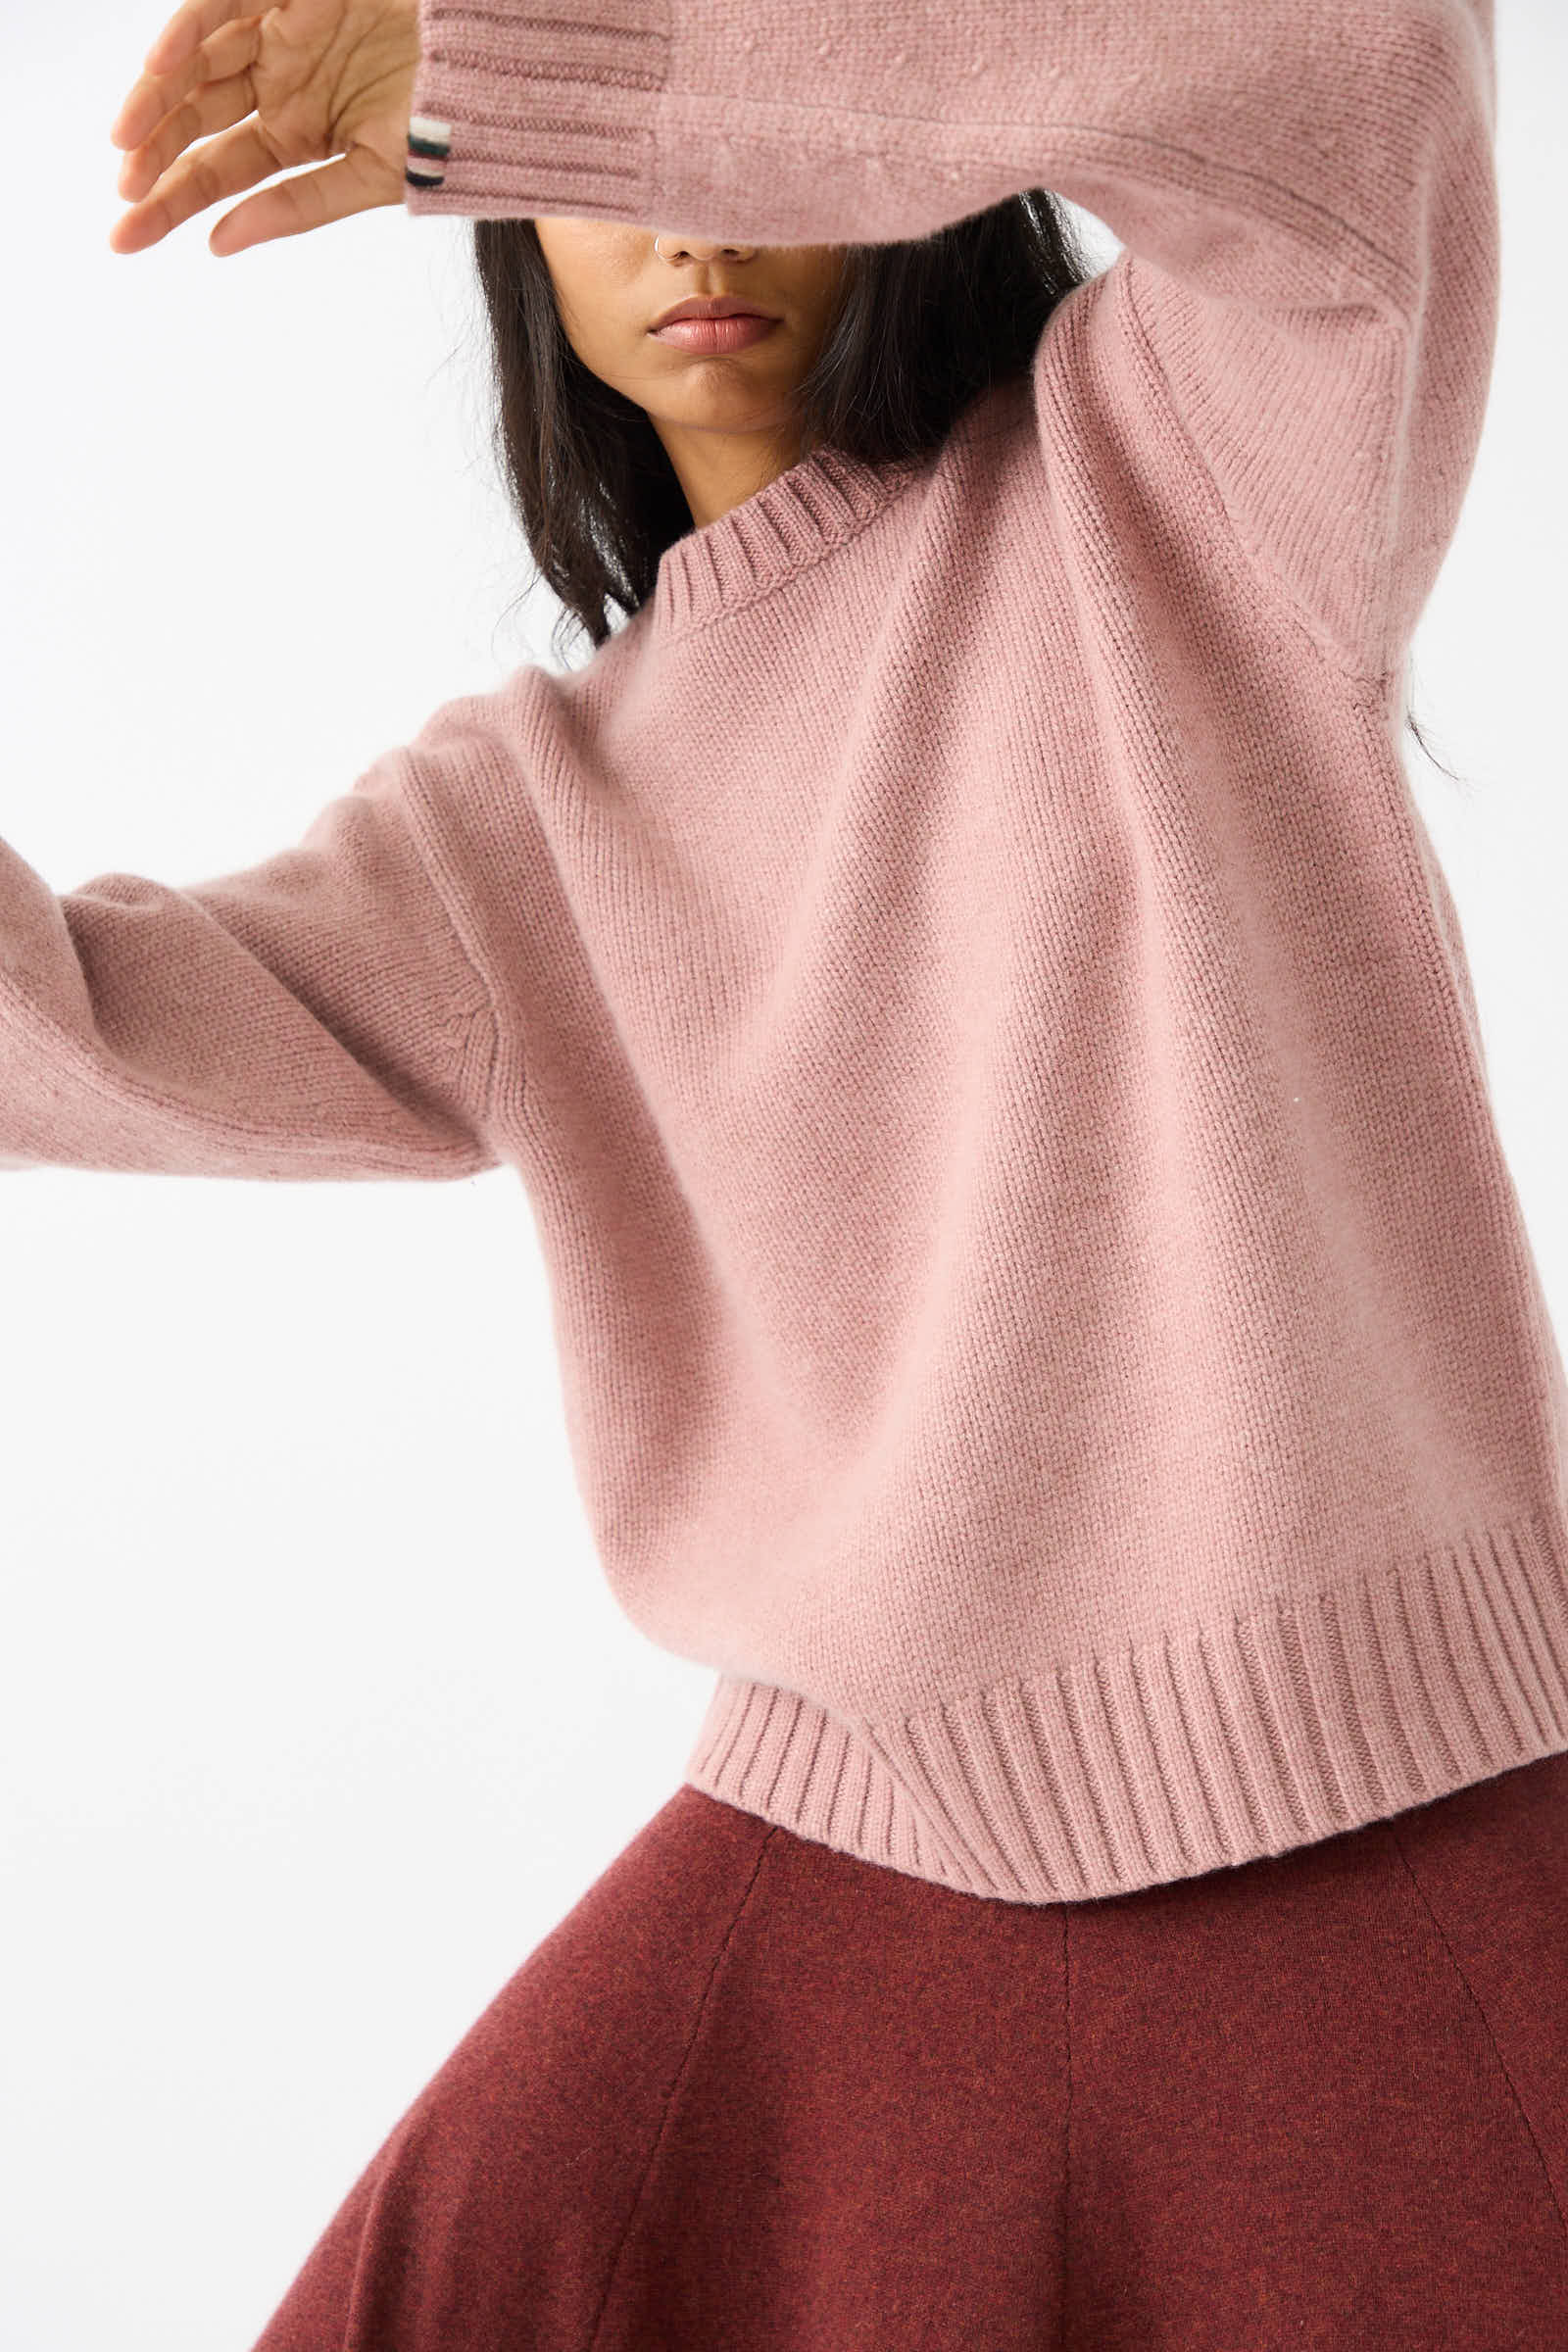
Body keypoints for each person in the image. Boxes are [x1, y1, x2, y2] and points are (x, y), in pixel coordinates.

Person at [27, 0, 1558, 2338]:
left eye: (727, 118)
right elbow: (94, 1031)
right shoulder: (522, 823)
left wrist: (563, 67)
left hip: (1400, 1822)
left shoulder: (1175, 474)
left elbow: (1363, 65)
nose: (688, 218)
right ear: (506, 252)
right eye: (594, 170)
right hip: (859, 1850)